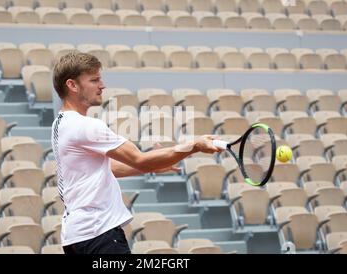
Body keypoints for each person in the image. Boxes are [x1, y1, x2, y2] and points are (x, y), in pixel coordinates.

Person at [51, 51, 222, 254]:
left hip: (77, 238)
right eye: (94, 80)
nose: (102, 85)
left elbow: (108, 168)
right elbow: (141, 160)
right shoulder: (86, 126)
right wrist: (194, 145)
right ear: (72, 85)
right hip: (99, 235)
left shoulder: (61, 123)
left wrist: (153, 166)